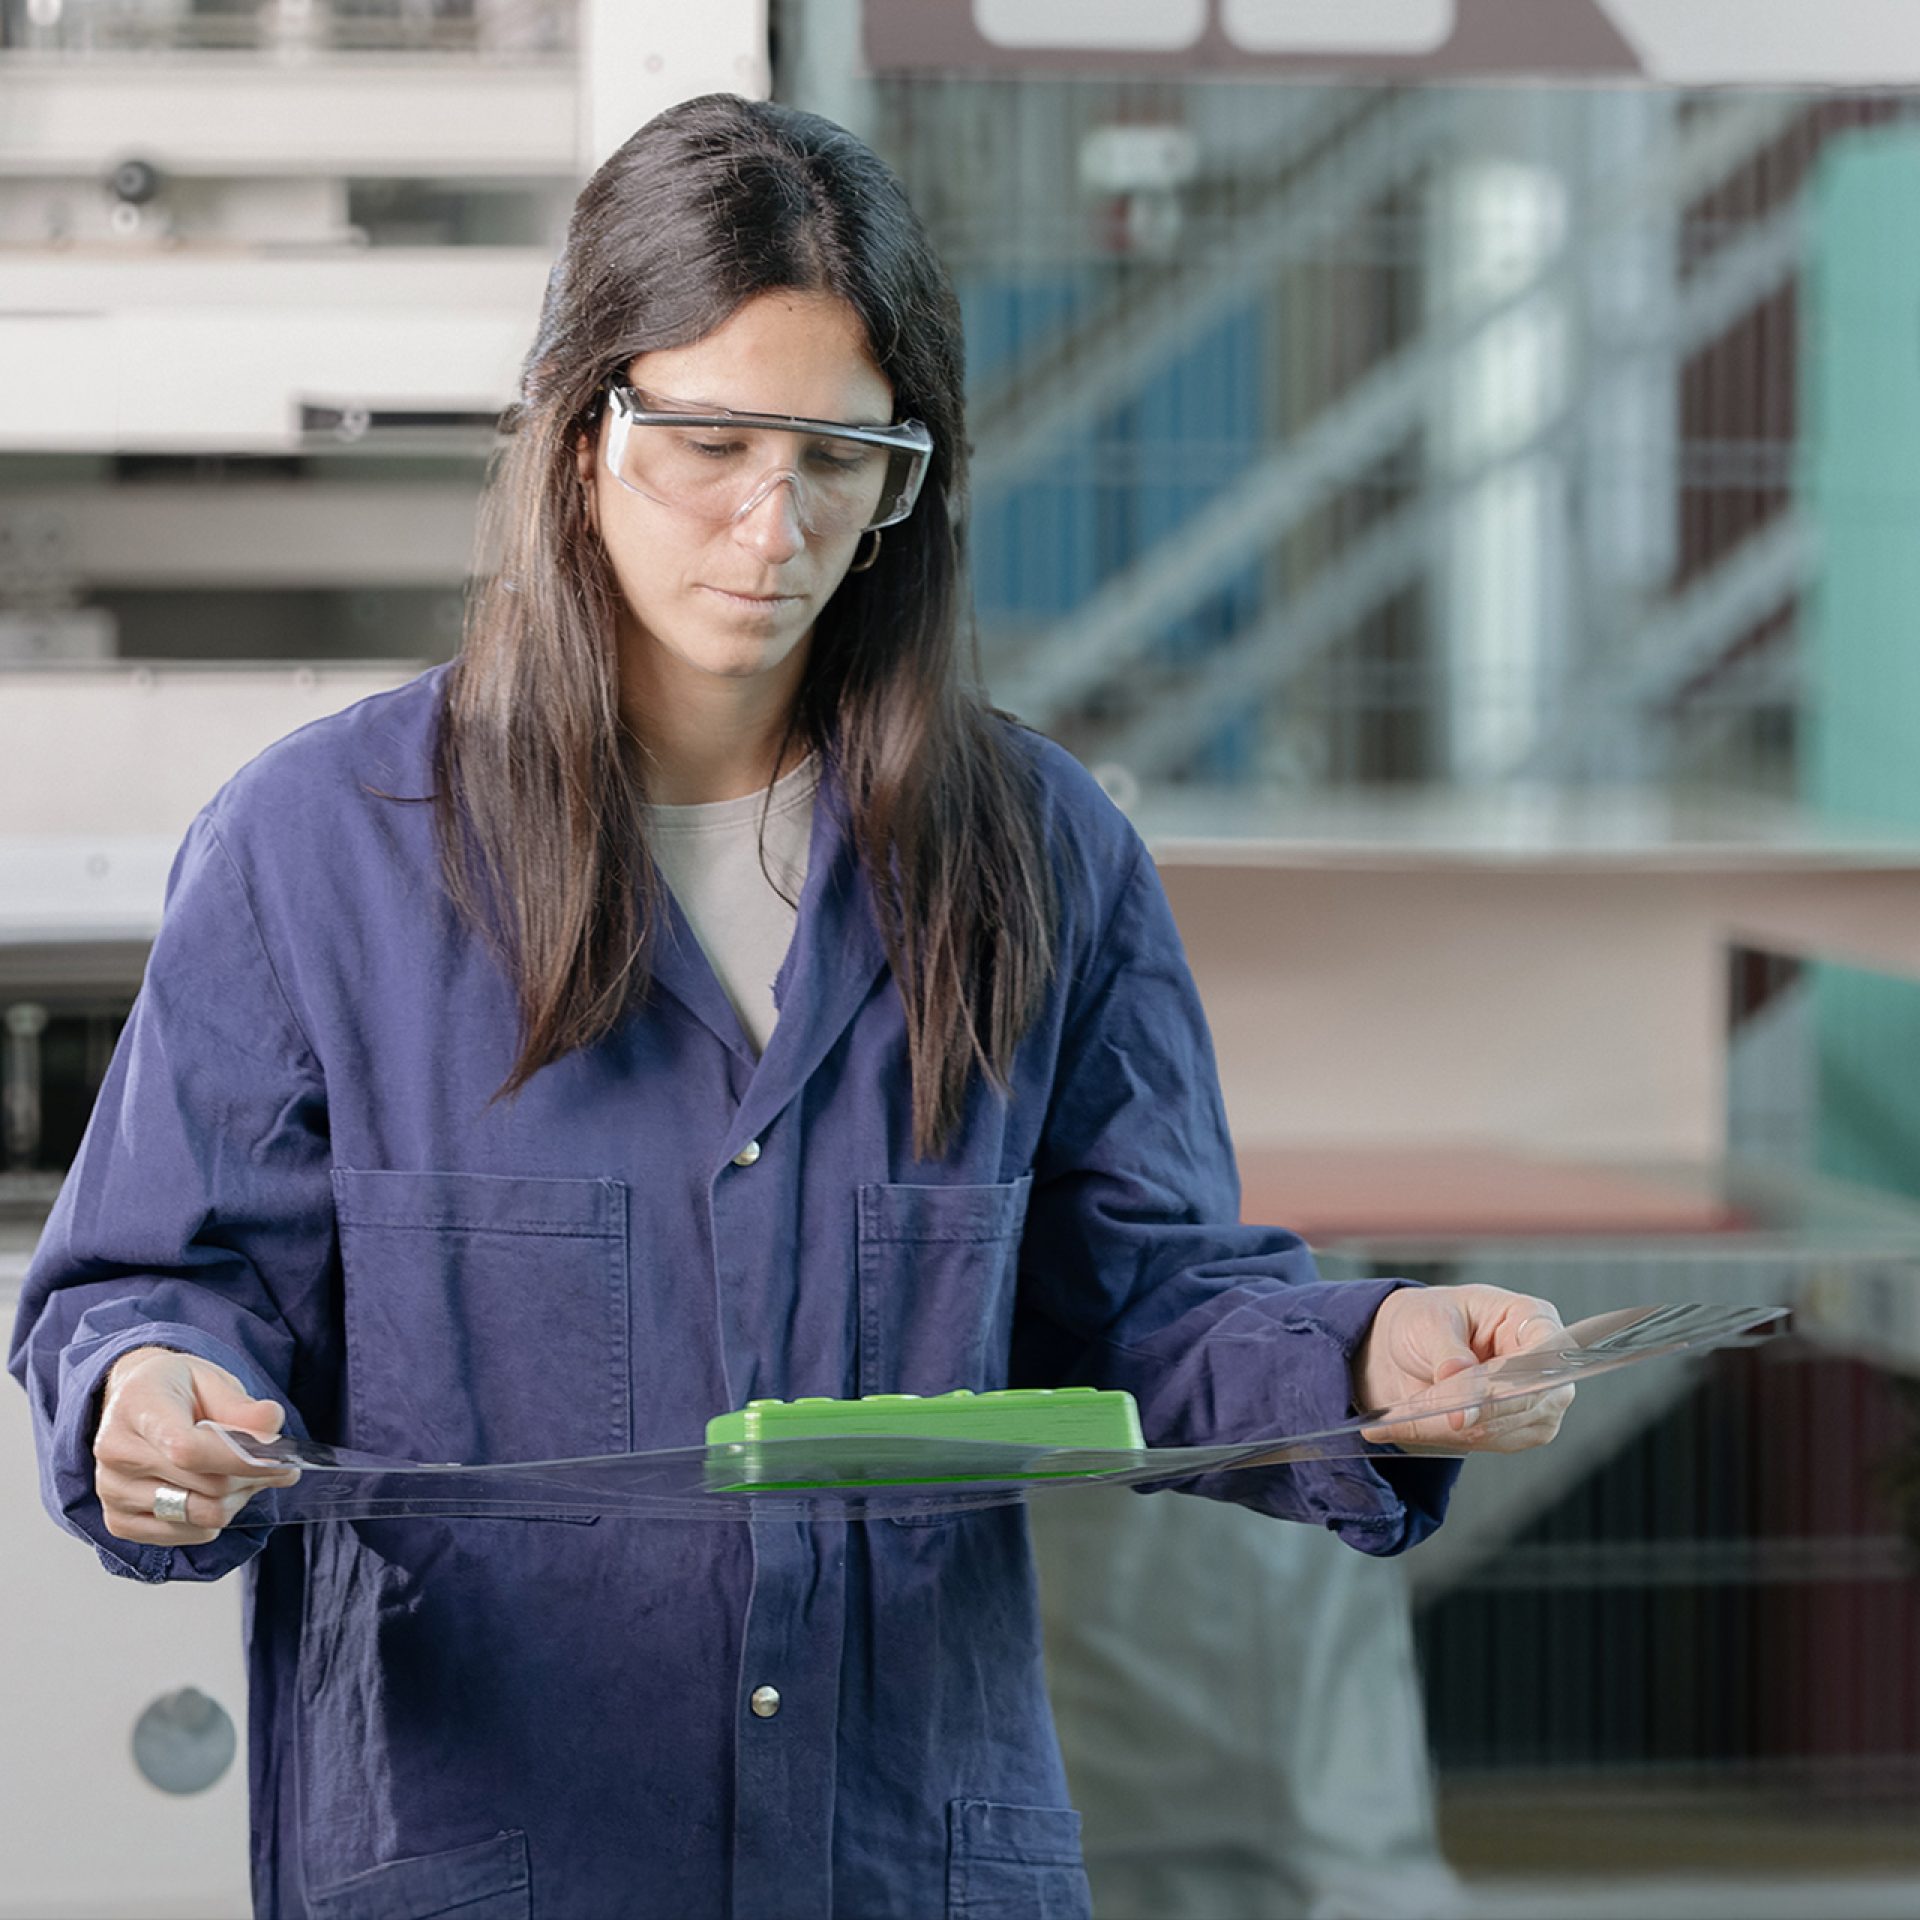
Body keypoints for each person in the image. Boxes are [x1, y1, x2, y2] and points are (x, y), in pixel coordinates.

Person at [8, 93, 1570, 1920]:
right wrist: (152, 1391)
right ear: (581, 429)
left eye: (841, 456)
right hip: (481, 1859)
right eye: (713, 441)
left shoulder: (1037, 852)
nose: (775, 523)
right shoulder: (318, 853)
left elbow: (1145, 1302)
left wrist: (1373, 1364)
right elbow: (148, 1290)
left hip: (904, 1858)